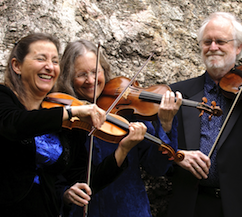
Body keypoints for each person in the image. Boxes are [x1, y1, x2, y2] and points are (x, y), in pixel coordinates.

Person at [0, 33, 147, 217]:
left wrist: (123, 149)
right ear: (17, 65)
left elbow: (85, 179)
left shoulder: (64, 118)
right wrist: (71, 112)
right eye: (41, 59)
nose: (49, 67)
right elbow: (15, 124)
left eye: (55, 61)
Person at [54, 39, 182, 217]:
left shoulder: (125, 111)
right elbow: (48, 174)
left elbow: (157, 168)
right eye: (81, 74)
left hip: (129, 210)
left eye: (95, 72)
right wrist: (65, 193)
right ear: (68, 78)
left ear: (104, 72)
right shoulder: (63, 117)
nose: (90, 80)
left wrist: (166, 126)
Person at [167, 12, 242, 217]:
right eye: (207, 41)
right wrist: (177, 156)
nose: (213, 47)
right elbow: (154, 153)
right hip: (192, 207)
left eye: (221, 41)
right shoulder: (178, 92)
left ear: (238, 47)